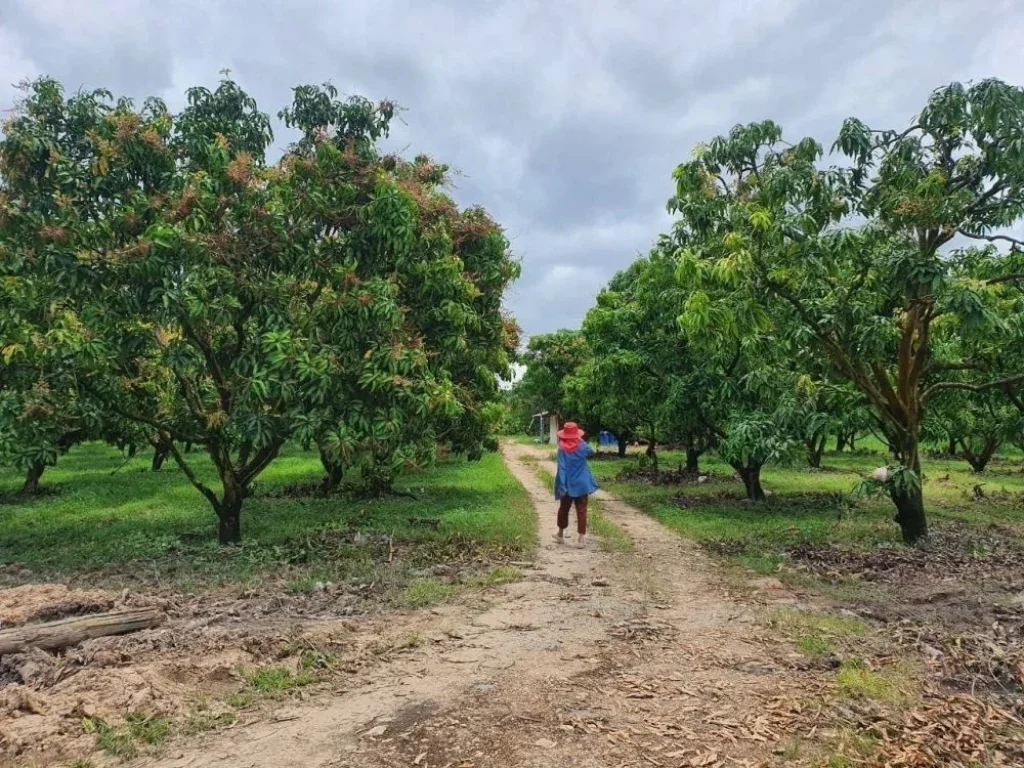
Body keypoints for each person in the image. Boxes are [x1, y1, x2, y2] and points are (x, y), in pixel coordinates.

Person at [553, 421, 599, 548]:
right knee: (582, 510)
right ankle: (581, 539)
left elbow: (561, 469)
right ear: (576, 434)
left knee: (564, 509)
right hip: (582, 483)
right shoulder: (582, 446)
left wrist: (562, 485)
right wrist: (580, 441)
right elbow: (591, 451)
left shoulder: (561, 449)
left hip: (568, 484)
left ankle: (560, 534)